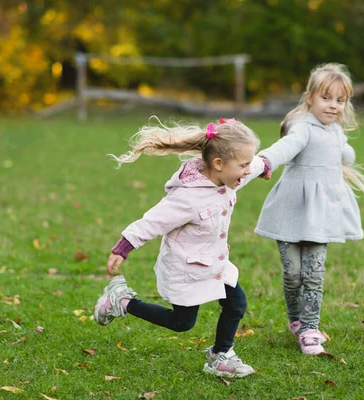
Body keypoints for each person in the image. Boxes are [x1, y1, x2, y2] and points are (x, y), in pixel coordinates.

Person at [94, 117, 271, 378]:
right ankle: (122, 301)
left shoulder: (227, 176)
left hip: (216, 264)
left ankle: (221, 355)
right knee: (182, 323)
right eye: (243, 165)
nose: (247, 171)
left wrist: (262, 165)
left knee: (236, 304)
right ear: (218, 164)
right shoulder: (187, 198)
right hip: (186, 269)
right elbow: (153, 221)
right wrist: (124, 245)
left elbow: (252, 165)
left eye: (248, 164)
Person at [255, 63, 364, 355]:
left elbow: (345, 151)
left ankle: (309, 328)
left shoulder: (335, 132)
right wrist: (265, 161)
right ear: (310, 97)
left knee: (314, 273)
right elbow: (286, 146)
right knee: (293, 273)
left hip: (321, 216)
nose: (333, 105)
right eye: (326, 97)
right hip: (291, 212)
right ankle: (295, 320)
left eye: (340, 100)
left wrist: (345, 153)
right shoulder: (302, 128)